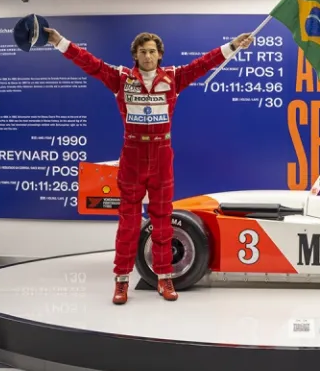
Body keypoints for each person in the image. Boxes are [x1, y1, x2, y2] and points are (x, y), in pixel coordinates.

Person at [44, 26, 254, 304]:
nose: (147, 56)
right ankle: (121, 281)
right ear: (135, 55)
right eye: (142, 51)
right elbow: (90, 64)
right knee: (128, 223)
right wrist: (59, 41)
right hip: (132, 155)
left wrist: (233, 46)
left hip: (161, 155)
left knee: (163, 220)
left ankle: (164, 278)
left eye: (152, 51)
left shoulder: (174, 77)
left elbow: (204, 64)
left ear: (159, 55)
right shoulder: (121, 78)